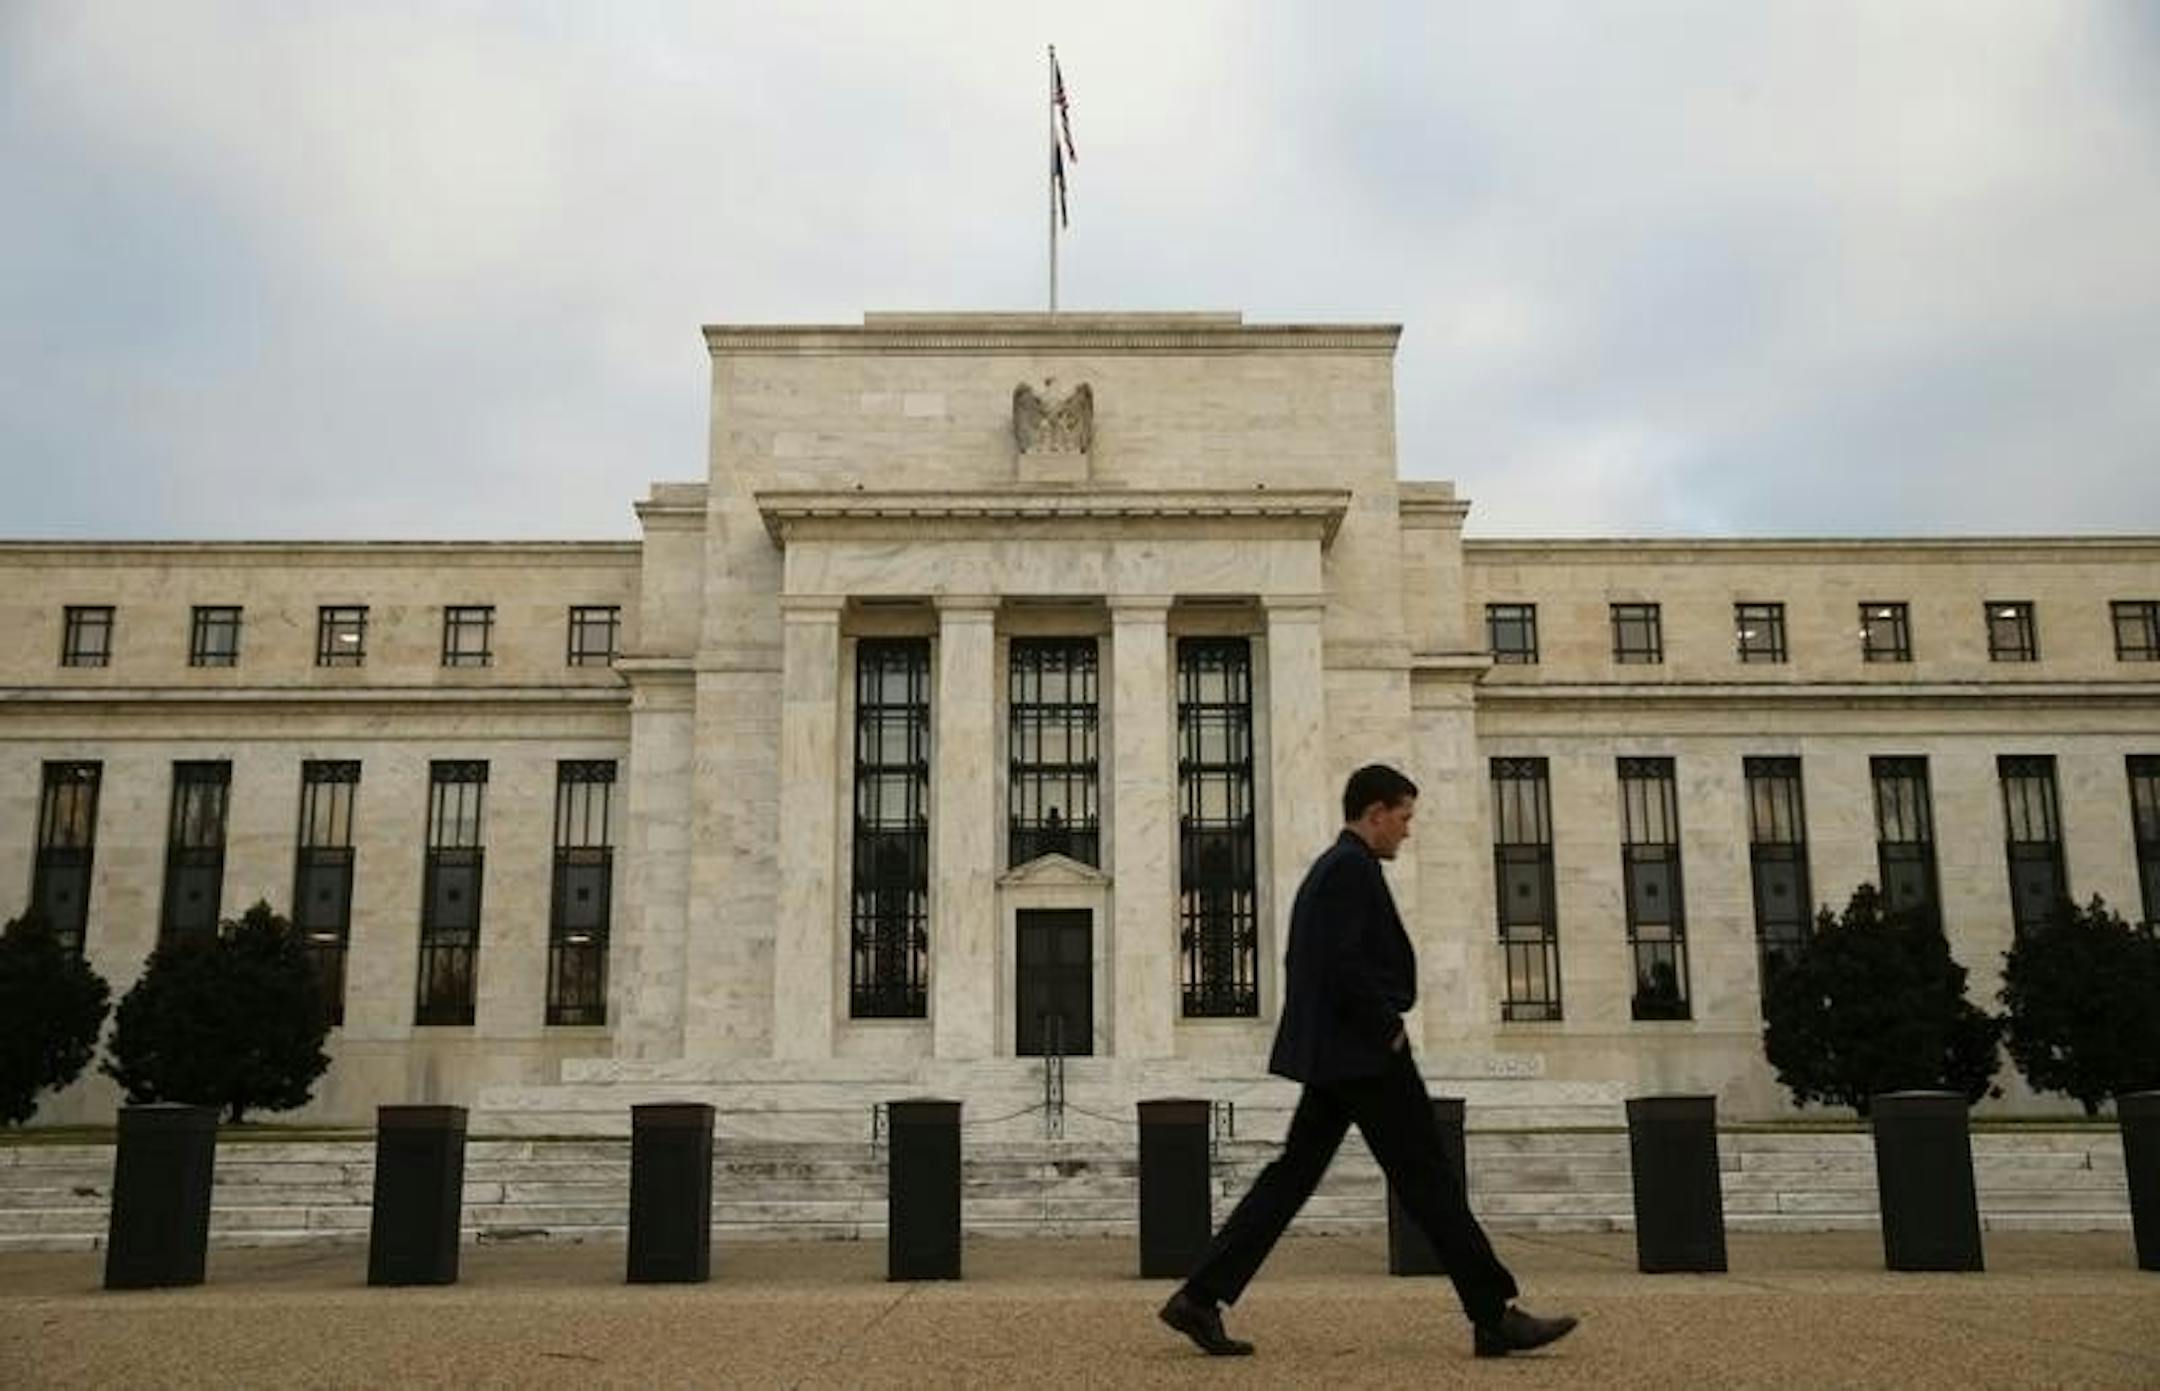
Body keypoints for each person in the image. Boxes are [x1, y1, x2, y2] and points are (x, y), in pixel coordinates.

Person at [1158, 763, 1579, 1360]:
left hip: (1342, 1055)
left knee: (1294, 1178)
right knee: (1428, 1178)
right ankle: (1493, 1315)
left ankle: (1199, 1298)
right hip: (1365, 1054)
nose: (1407, 831)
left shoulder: (1338, 869)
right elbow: (1341, 962)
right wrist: (1386, 1028)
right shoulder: (1349, 870)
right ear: (1375, 813)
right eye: (1403, 818)